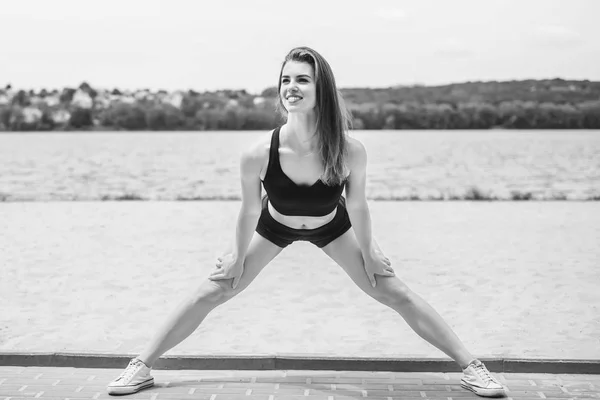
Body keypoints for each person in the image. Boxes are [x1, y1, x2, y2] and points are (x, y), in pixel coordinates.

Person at [107, 46, 506, 397]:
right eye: (285, 79)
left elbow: (360, 206)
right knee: (214, 289)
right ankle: (141, 366)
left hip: (332, 225)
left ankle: (472, 368)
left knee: (393, 291)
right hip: (274, 225)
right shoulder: (257, 152)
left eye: (302, 79)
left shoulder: (350, 150)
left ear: (321, 90)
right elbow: (248, 209)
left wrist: (369, 252)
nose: (291, 87)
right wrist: (234, 256)